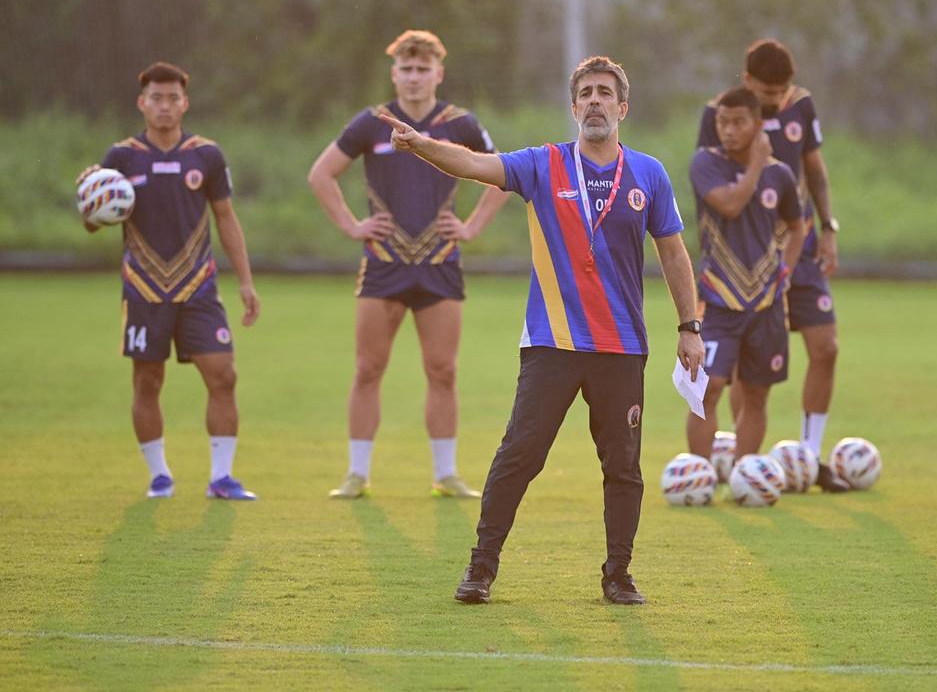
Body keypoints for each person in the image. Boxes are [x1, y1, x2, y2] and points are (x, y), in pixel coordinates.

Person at [377, 56, 705, 605]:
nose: (595, 101)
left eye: (605, 93)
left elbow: (673, 252)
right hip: (551, 343)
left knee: (622, 466)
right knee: (519, 455)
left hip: (622, 348)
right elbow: (474, 164)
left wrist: (690, 327)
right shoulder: (542, 164)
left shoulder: (648, 174)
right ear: (573, 107)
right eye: (586, 93)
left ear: (622, 108)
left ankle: (617, 575)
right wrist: (423, 144)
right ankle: (480, 569)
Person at [308, 30, 509, 500]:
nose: (414, 77)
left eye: (423, 69)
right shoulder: (370, 123)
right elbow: (321, 175)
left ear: (438, 73)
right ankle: (357, 473)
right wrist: (352, 226)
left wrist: (472, 227)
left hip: (439, 264)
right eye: (406, 69)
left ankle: (446, 474)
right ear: (394, 73)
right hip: (383, 265)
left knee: (443, 370)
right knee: (367, 368)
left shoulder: (460, 123)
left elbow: (501, 173)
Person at [76, 61, 261, 500]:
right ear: (142, 103)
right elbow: (92, 225)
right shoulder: (120, 158)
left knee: (223, 374)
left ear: (185, 103)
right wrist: (90, 200)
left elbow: (226, 219)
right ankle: (159, 476)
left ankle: (221, 478)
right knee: (147, 381)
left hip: (199, 287)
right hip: (144, 290)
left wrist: (247, 283)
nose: (164, 106)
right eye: (155, 98)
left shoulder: (206, 155)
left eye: (172, 98)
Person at [697, 39, 846, 490]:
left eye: (782, 91)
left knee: (827, 347)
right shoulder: (722, 114)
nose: (776, 101)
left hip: (796, 249)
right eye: (766, 92)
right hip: (743, 258)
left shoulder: (801, 107)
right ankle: (748, 466)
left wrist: (828, 226)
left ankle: (809, 455)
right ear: (746, 83)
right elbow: (714, 186)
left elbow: (815, 170)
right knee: (742, 368)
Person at [686, 87, 806, 460]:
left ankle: (744, 475)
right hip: (719, 297)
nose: (729, 130)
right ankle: (699, 475)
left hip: (766, 304)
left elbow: (797, 226)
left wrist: (784, 270)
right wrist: (756, 163)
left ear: (757, 124)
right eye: (723, 122)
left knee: (755, 394)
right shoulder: (706, 164)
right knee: (708, 390)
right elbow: (731, 205)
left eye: (738, 122)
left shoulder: (780, 176)